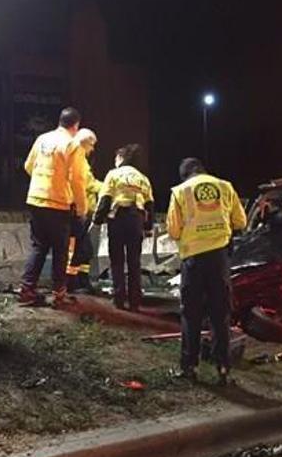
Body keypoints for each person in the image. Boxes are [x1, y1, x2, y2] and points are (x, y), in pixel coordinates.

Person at [166, 158, 247, 385]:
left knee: (191, 315)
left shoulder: (180, 191)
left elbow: (173, 230)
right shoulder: (225, 186)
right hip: (219, 259)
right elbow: (240, 222)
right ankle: (223, 368)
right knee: (220, 314)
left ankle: (189, 367)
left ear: (185, 175)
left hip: (193, 260)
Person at [20, 107, 89, 305]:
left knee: (39, 246)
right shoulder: (73, 144)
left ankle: (27, 289)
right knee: (60, 249)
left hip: (35, 199)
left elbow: (28, 166)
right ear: (76, 126)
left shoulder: (42, 139)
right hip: (58, 204)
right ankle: (59, 294)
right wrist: (82, 208)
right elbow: (77, 180)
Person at [93, 144, 154, 311]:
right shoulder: (142, 178)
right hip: (136, 220)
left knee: (117, 260)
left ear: (120, 158)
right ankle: (135, 301)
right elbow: (149, 204)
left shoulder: (113, 174)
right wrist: (148, 227)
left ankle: (119, 299)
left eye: (116, 158)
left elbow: (105, 199)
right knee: (134, 261)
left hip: (118, 218)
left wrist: (97, 221)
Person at [66, 128, 103, 293]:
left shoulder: (79, 159)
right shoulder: (78, 159)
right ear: (84, 142)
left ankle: (81, 280)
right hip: (78, 211)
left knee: (84, 249)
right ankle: (73, 282)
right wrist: (108, 187)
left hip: (83, 211)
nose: (92, 149)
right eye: (91, 145)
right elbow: (88, 183)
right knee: (80, 249)